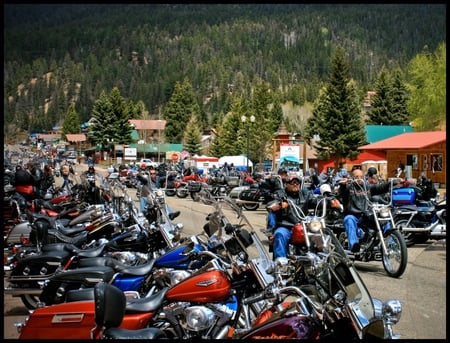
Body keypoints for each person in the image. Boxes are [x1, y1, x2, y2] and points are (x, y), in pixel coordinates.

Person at [337, 168, 402, 253]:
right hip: (353, 215)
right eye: (356, 176)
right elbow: (342, 192)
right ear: (352, 178)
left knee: (384, 220)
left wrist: (393, 182)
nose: (359, 178)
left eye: (361, 176)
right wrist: (343, 185)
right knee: (348, 219)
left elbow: (380, 187)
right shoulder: (348, 188)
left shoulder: (367, 187)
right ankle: (354, 245)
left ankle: (391, 243)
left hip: (366, 215)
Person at [266, 173, 312, 260]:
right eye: (292, 182)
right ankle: (281, 264)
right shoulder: (280, 194)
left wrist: (329, 201)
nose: (295, 184)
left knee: (319, 233)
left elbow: (315, 200)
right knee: (279, 234)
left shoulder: (305, 194)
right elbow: (270, 204)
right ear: (286, 184)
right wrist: (279, 204)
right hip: (286, 226)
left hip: (303, 227)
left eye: (297, 182)